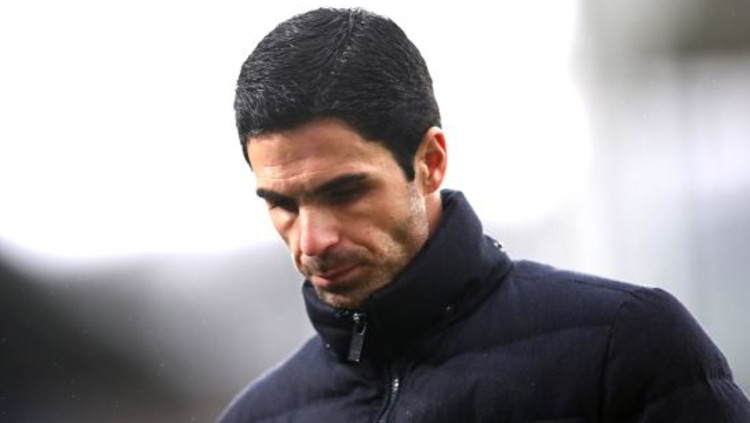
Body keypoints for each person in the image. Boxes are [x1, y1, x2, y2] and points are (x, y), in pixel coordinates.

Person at [217, 7, 750, 422]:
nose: (312, 241)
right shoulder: (259, 416)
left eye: (345, 192)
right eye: (282, 204)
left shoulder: (624, 346)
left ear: (430, 162)